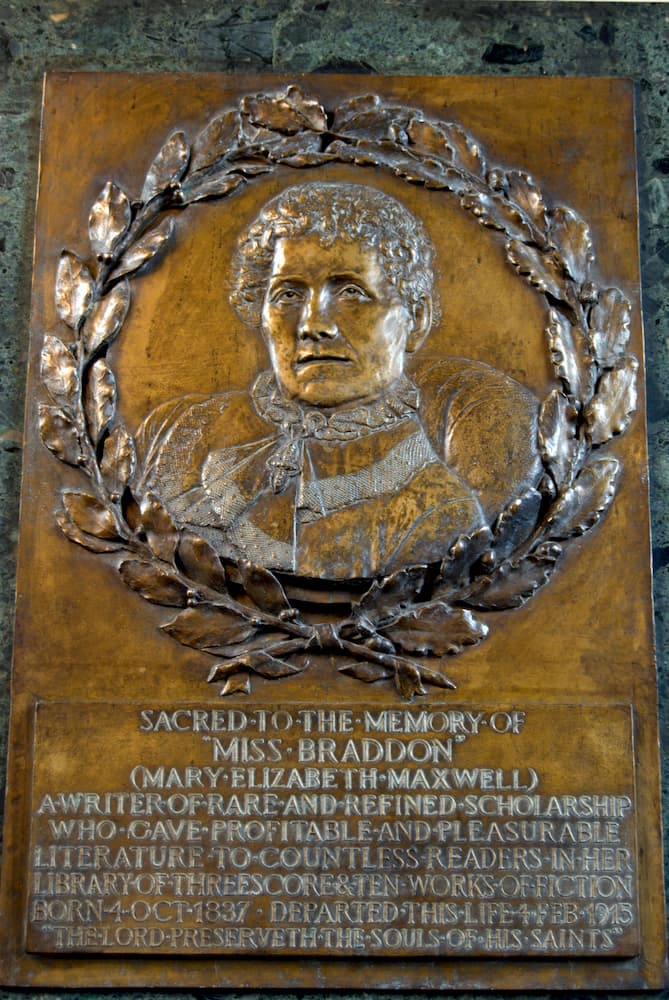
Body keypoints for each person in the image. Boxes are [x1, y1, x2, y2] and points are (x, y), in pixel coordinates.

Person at [136, 182, 540, 582]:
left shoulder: (441, 513)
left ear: (415, 319)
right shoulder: (177, 432)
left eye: (351, 292)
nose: (313, 324)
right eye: (288, 295)